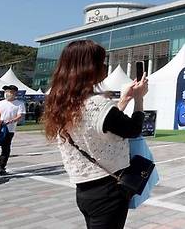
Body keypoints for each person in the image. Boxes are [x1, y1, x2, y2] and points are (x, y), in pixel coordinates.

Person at [44, 40, 148, 229]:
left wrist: (123, 101)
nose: (105, 67)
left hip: (83, 188)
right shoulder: (98, 105)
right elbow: (133, 129)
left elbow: (100, 126)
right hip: (109, 188)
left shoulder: (61, 103)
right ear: (89, 68)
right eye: (101, 62)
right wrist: (139, 99)